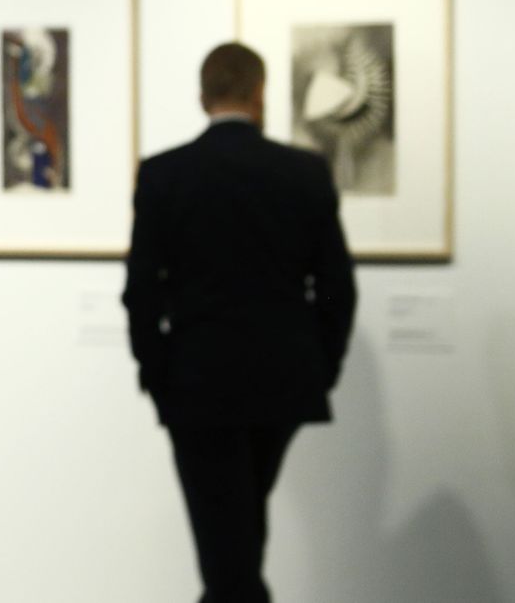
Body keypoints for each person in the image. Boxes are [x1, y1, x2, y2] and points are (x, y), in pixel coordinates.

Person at [123, 42, 356, 603]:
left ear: (203, 96)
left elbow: (141, 293)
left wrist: (158, 373)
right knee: (240, 532)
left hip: (197, 383)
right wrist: (319, 368)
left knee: (227, 549)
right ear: (259, 94)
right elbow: (337, 289)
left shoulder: (164, 174)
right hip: (281, 381)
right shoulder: (303, 172)